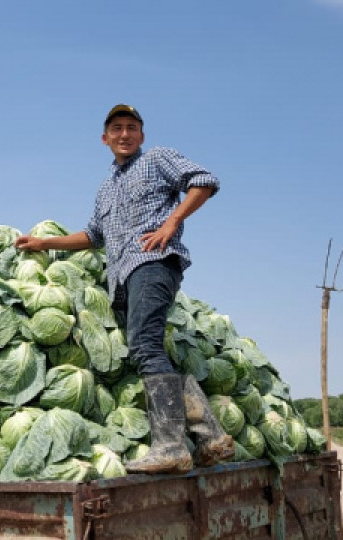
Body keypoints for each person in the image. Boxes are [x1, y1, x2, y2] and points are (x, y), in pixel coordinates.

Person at [14, 104, 233, 474]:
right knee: (148, 349)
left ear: (142, 136)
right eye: (117, 128)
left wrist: (171, 222)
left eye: (132, 128)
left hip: (151, 264)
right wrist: (43, 243)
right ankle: (210, 436)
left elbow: (204, 181)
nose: (125, 134)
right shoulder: (105, 188)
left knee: (146, 347)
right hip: (122, 279)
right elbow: (92, 237)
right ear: (105, 138)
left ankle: (171, 446)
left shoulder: (158, 159)